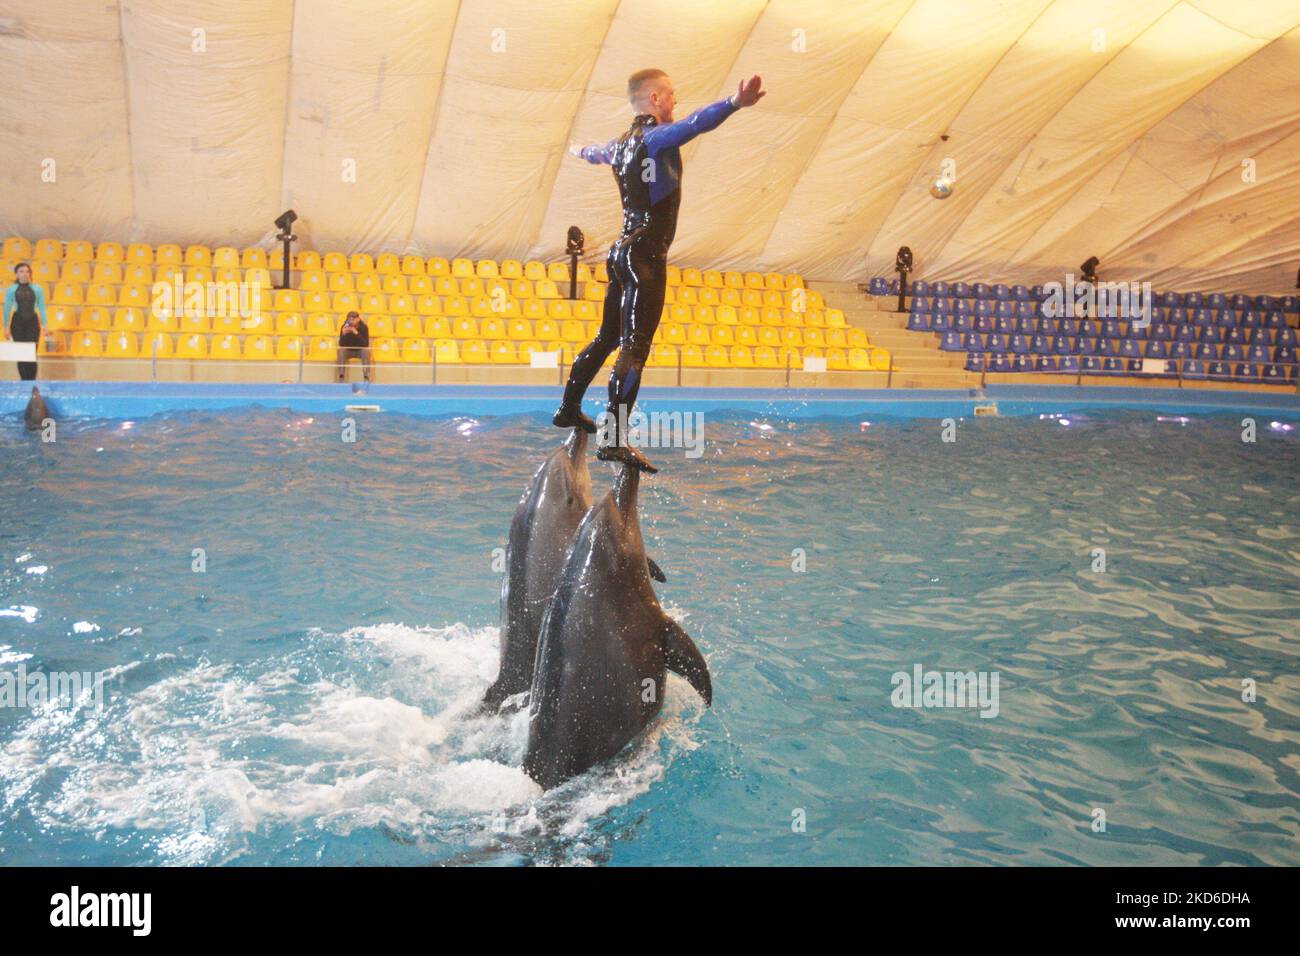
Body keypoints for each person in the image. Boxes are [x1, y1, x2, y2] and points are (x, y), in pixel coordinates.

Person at [554, 69, 766, 472]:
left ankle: (569, 408)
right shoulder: (654, 139)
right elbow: (694, 125)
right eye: (670, 94)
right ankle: (614, 442)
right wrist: (735, 103)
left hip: (621, 251)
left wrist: (578, 150)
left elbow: (595, 153)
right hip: (646, 255)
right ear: (654, 98)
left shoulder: (620, 146)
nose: (674, 101)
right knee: (634, 346)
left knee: (606, 337)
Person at [4, 263, 52, 381]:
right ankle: (23, 381)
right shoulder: (11, 289)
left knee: (31, 353)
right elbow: (7, 308)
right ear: (17, 274)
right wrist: (6, 327)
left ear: (30, 274)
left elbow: (41, 307)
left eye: (27, 271)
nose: (25, 274)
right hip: (17, 323)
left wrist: (45, 326)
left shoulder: (37, 289)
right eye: (21, 271)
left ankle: (31, 381)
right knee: (21, 354)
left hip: (32, 324)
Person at [336, 310, 372, 383]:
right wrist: (343, 334)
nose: (351, 322)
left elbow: (365, 344)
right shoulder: (344, 327)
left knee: (366, 351)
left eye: (353, 319)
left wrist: (356, 333)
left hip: (359, 350)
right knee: (341, 351)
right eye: (349, 320)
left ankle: (366, 376)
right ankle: (341, 376)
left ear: (358, 319)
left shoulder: (364, 328)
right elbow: (341, 344)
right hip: (348, 350)